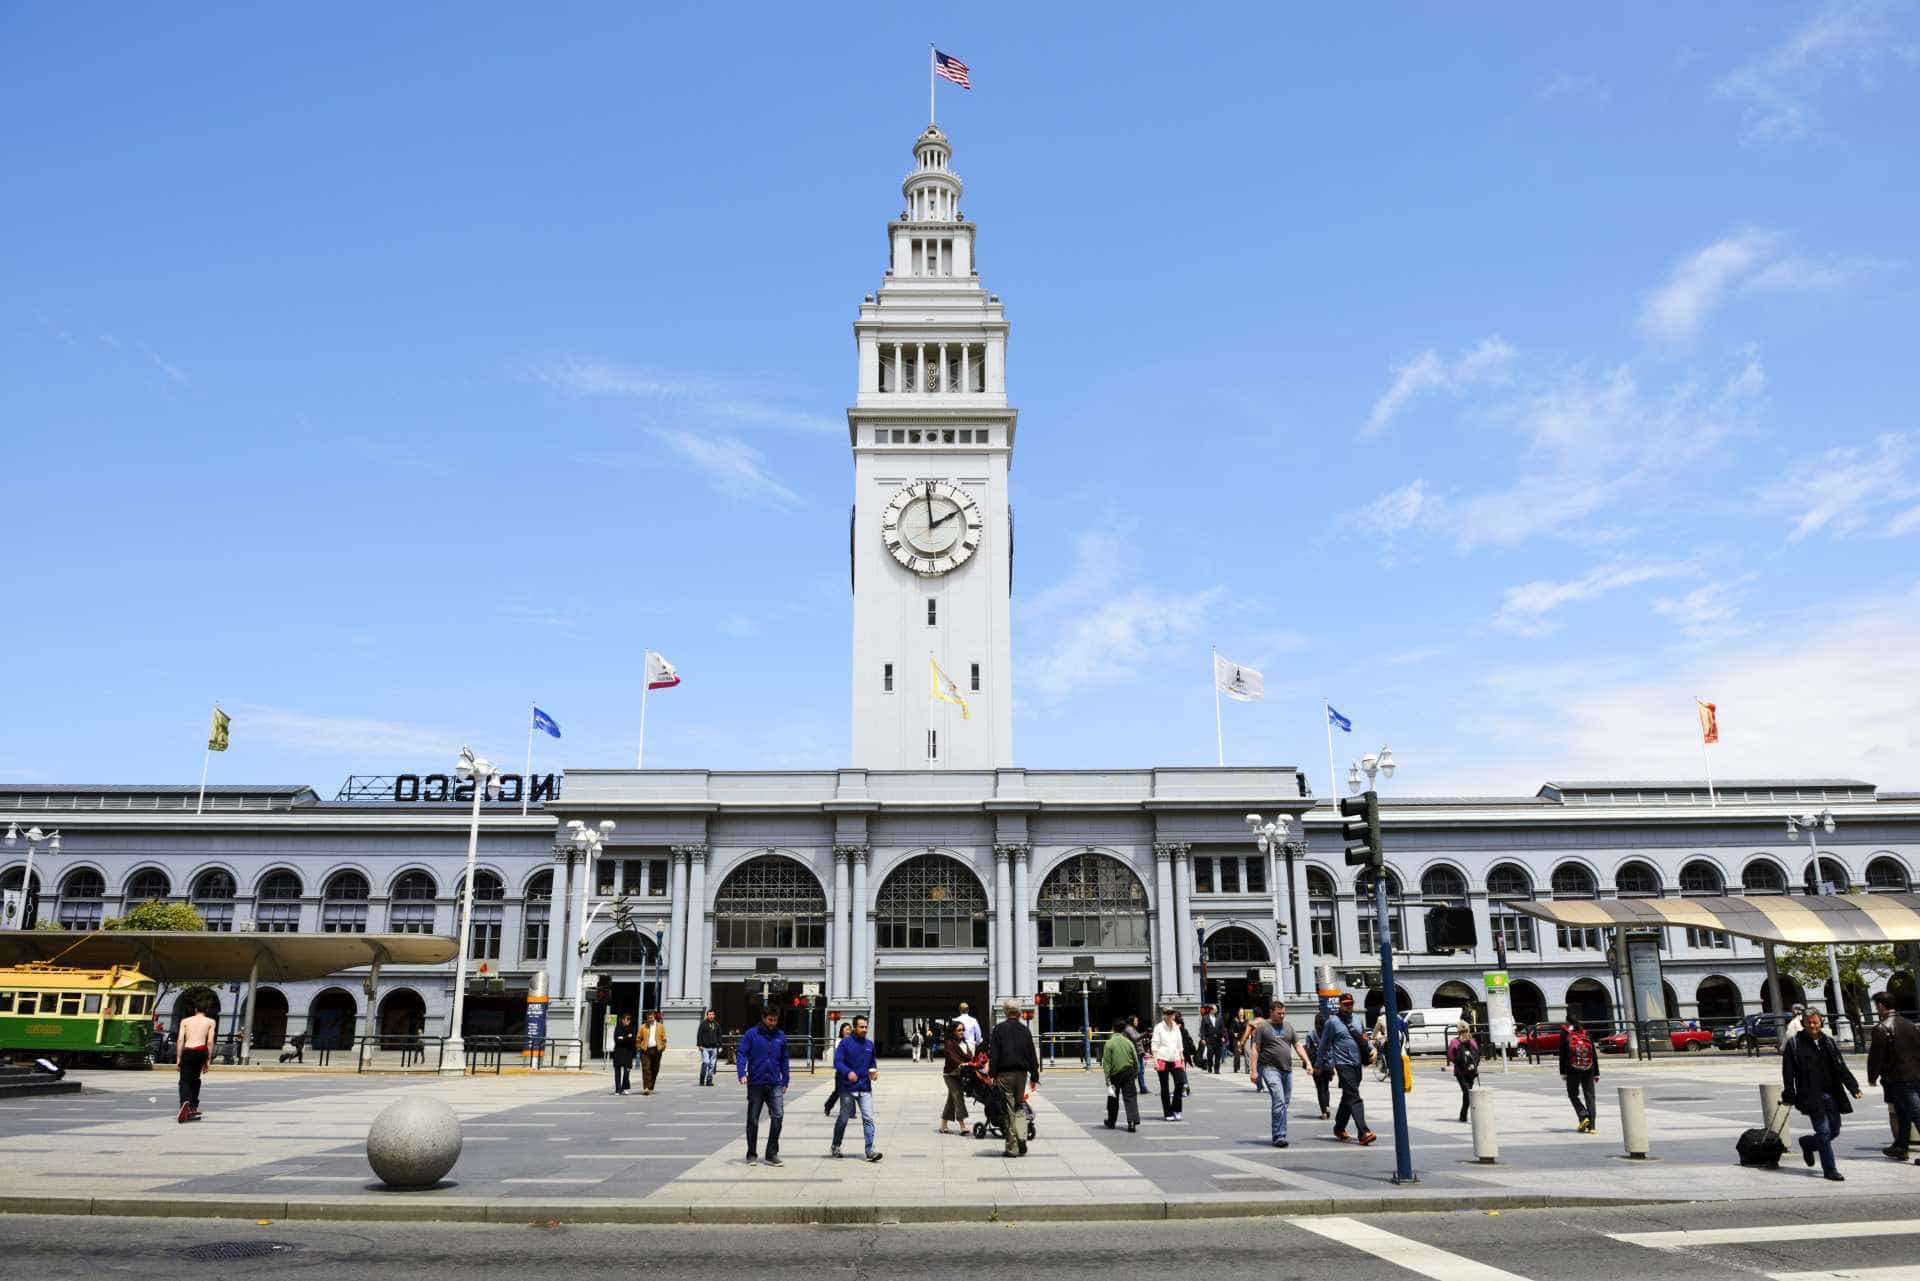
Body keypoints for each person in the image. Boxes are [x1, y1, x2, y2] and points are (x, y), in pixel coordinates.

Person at [1783, 1009, 1861, 1182]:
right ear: (1803, 1023)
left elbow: (1841, 1067)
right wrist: (1789, 1093)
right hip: (1811, 1095)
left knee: (1834, 1131)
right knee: (1824, 1132)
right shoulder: (1795, 1044)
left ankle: (1808, 1143)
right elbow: (1788, 1072)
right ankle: (1830, 1170)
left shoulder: (1829, 1042)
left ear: (1821, 1023)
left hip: (1832, 1093)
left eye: (1815, 1022)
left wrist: (1853, 1087)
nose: (1812, 1025)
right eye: (1809, 1022)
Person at [1311, 994, 1376, 1145]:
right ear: (1340, 1005)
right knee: (1354, 1097)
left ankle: (1339, 1127)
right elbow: (1324, 1045)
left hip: (1357, 1063)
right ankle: (1363, 1132)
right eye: (1346, 1004)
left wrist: (1373, 1049)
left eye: (1351, 1004)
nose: (1349, 1006)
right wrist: (1318, 1065)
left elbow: (1364, 1038)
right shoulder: (1332, 1022)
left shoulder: (1358, 1020)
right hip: (1343, 1064)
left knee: (1348, 1096)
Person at [1866, 990, 1920, 1164]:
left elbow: (1876, 1056)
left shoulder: (1882, 1028)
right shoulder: (1910, 1024)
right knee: (1903, 1112)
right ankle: (1901, 1147)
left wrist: (1872, 1076)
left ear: (1881, 1006)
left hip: (1899, 1077)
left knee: (1915, 1112)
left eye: (1876, 1006)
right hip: (1916, 1075)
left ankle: (1901, 1147)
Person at [1248, 1000, 1310, 1147]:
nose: (1282, 1016)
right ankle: (1279, 1136)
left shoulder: (1288, 1027)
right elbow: (1255, 1049)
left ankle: (1280, 1132)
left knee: (1284, 1103)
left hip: (1287, 1070)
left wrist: (1307, 1062)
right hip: (1270, 1069)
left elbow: (1298, 1045)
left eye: (1283, 1013)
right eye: (1279, 1013)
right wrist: (1254, 1071)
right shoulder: (1263, 1027)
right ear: (1271, 1012)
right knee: (1279, 1100)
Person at [736, 1006, 789, 1166]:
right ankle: (751, 1154)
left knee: (778, 1116)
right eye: (770, 1019)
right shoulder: (752, 1034)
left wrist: (785, 1080)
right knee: (753, 1119)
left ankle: (771, 1153)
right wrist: (741, 1073)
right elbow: (742, 1053)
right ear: (763, 1018)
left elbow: (784, 1060)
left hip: (774, 1083)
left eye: (775, 1020)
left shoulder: (780, 1035)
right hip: (756, 1083)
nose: (773, 1023)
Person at [986, 1000, 1039, 1156]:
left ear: (1005, 1012)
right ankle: (1022, 1137)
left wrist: (992, 1074)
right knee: (1019, 1106)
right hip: (1021, 1074)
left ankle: (1012, 1147)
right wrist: (1034, 1075)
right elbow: (1031, 1054)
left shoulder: (999, 1030)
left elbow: (994, 1054)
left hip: (1004, 1074)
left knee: (1008, 1110)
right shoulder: (1025, 1030)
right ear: (1019, 1012)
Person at [830, 1014, 884, 1162]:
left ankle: (870, 1150)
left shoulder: (869, 1044)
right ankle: (835, 1145)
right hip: (847, 1087)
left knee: (868, 1118)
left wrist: (874, 1072)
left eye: (866, 1027)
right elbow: (838, 1062)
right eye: (861, 1027)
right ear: (855, 1027)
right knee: (843, 1118)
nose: (864, 1029)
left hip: (865, 1087)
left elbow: (872, 1063)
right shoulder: (845, 1043)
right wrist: (848, 1073)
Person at [175, 1000, 216, 1123]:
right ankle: (193, 1106)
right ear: (206, 1011)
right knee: (195, 1079)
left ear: (195, 1010)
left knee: (184, 1080)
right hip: (201, 1051)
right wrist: (208, 1060)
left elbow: (180, 1039)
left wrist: (178, 1057)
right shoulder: (210, 1022)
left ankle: (185, 1102)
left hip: (188, 1050)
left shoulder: (185, 1021)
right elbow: (210, 1041)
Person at [1558, 1017, 1601, 1133]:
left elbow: (1562, 1054)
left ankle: (1584, 1115)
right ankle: (1592, 1127)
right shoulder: (1585, 1033)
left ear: (1567, 1021)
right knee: (1590, 1096)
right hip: (1588, 1068)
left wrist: (1562, 1071)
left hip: (1572, 1069)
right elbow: (1594, 1053)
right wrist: (1596, 1073)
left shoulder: (1565, 1033)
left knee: (1573, 1095)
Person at [1101, 1017, 1141, 1131]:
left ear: (1113, 1029)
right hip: (1129, 1072)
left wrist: (1107, 1079)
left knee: (1113, 1097)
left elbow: (1107, 1063)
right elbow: (1135, 1059)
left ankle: (1111, 1121)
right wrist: (1136, 1072)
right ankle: (1132, 1122)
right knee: (1130, 1097)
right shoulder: (1128, 1042)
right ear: (1124, 1030)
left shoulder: (1109, 1043)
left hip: (1115, 1074)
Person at [1150, 1007, 1188, 1121]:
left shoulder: (1176, 1027)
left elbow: (1179, 1043)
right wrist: (1155, 1060)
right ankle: (1168, 1112)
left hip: (1175, 1058)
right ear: (1164, 1015)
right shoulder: (1159, 1027)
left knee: (1180, 1082)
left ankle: (1176, 1109)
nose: (1171, 1015)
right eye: (1169, 1013)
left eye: (1173, 1013)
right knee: (1164, 1087)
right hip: (1162, 1058)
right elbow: (1155, 1044)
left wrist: (1182, 1057)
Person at [939, 1021, 971, 1134]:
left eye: (963, 1029)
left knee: (952, 1099)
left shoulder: (964, 1043)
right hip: (951, 1074)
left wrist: (972, 1062)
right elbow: (952, 1057)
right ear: (953, 1031)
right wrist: (962, 1063)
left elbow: (969, 1056)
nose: (962, 1032)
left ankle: (943, 1125)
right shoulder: (949, 1043)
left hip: (961, 1074)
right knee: (958, 1097)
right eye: (959, 1030)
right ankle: (963, 1126)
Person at [1447, 1022, 1481, 1123]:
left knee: (1466, 1092)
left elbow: (1450, 1056)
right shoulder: (1472, 1041)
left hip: (1460, 1072)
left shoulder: (1454, 1042)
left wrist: (1458, 1062)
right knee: (1468, 1092)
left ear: (1458, 1031)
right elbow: (1477, 1055)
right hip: (1471, 1072)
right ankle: (1464, 1115)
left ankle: (1463, 1115)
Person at [823, 1021, 853, 1116]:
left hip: (851, 1070)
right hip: (841, 1071)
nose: (848, 1031)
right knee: (838, 1091)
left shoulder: (853, 1040)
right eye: (846, 1029)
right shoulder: (839, 1041)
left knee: (851, 1090)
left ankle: (851, 1112)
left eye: (849, 1029)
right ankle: (828, 1106)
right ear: (842, 1031)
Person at [1308, 1010, 1333, 1118]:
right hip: (1328, 1064)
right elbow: (1333, 1050)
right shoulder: (1329, 1034)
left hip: (1316, 1064)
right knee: (1326, 1087)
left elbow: (1308, 1050)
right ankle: (1326, 1106)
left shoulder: (1311, 1034)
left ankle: (1323, 1111)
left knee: (1320, 1088)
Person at [638, 1010, 667, 1095]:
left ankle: (651, 1086)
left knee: (655, 1069)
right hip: (645, 1050)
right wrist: (639, 1048)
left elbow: (664, 1038)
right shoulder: (643, 1027)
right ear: (647, 1018)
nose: (650, 1019)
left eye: (651, 1017)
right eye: (648, 1017)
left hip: (656, 1050)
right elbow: (638, 1038)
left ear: (654, 1017)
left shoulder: (660, 1026)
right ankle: (646, 1088)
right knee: (646, 1069)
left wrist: (662, 1047)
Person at [610, 1012, 637, 1096]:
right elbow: (617, 1040)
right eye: (627, 1019)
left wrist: (623, 1038)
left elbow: (632, 1040)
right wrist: (627, 1038)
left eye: (629, 1019)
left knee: (626, 1072)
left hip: (628, 1053)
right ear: (622, 1020)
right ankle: (618, 1089)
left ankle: (624, 1088)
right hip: (618, 1053)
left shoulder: (632, 1028)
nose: (628, 1021)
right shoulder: (618, 1028)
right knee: (617, 1072)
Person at [697, 1009, 722, 1087]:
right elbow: (699, 1034)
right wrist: (699, 1044)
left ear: (714, 1016)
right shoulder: (703, 1024)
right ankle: (702, 1079)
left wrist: (720, 1045)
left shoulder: (716, 1024)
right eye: (709, 1014)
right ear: (707, 1015)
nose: (711, 1016)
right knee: (706, 1062)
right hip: (705, 1047)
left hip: (714, 1047)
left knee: (712, 1064)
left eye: (712, 1014)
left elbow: (719, 1035)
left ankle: (709, 1080)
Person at [1126, 1014, 1150, 1094]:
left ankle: (1143, 1088)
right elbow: (1135, 1038)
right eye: (1136, 1021)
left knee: (1141, 1071)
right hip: (1134, 1053)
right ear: (1132, 1021)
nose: (1137, 1022)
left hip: (1139, 1052)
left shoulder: (1133, 1028)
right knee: (1137, 1072)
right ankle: (1130, 1088)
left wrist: (1147, 1035)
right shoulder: (1129, 1029)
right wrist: (1145, 1034)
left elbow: (1138, 1038)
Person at [1198, 1006, 1221, 1075]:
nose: (1216, 1010)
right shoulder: (1205, 1018)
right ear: (1211, 1010)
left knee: (1218, 1055)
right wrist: (1203, 1038)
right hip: (1209, 1040)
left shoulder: (1219, 1017)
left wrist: (1223, 1037)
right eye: (1215, 1009)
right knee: (1210, 1054)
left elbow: (1222, 1028)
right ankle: (1210, 1066)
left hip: (1218, 1039)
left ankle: (1217, 1069)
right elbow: (1202, 1030)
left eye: (1217, 1009)